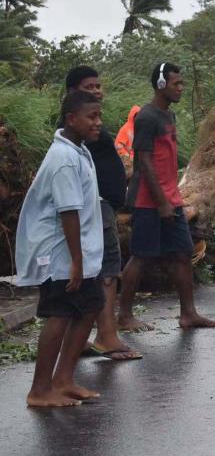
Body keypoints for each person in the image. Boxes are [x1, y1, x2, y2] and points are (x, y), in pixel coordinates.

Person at [15, 91, 106, 407]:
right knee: (60, 313)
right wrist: (77, 261)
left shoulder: (78, 151)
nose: (98, 123)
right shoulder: (63, 159)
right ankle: (39, 390)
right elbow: (68, 212)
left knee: (92, 304)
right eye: (91, 117)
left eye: (99, 116)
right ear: (71, 119)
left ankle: (64, 379)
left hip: (78, 252)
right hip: (60, 254)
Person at [118, 62, 215, 331]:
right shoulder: (147, 117)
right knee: (141, 256)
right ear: (161, 84)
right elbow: (145, 162)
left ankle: (188, 314)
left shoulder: (169, 116)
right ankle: (124, 316)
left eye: (182, 83)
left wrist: (172, 197)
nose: (181, 88)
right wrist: (161, 201)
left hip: (171, 199)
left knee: (183, 253)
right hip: (148, 200)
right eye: (176, 84)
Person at [63, 67, 142, 361]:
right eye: (88, 86)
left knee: (96, 271)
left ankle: (80, 338)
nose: (96, 91)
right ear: (72, 92)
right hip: (96, 205)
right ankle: (107, 336)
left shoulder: (83, 123)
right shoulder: (78, 127)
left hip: (102, 203)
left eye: (98, 86)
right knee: (107, 269)